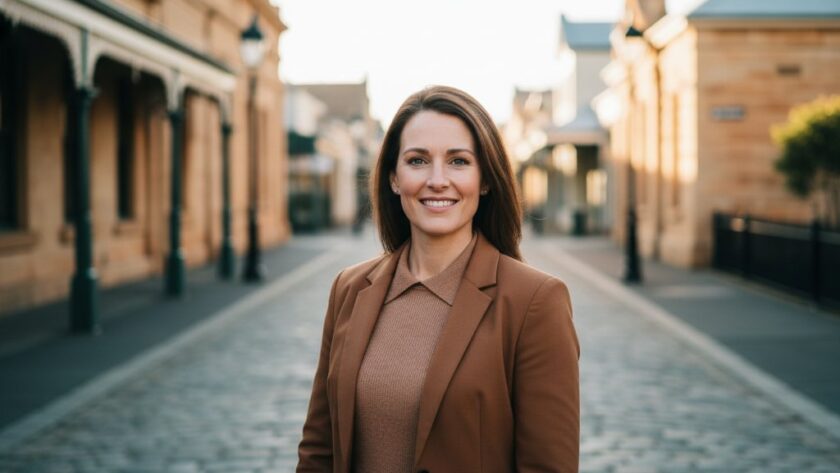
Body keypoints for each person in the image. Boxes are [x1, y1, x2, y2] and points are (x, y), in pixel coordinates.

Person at [297, 85, 580, 473]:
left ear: (485, 179)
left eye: (459, 161)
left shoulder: (535, 301)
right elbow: (318, 450)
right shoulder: (349, 289)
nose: (437, 180)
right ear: (394, 178)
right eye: (417, 161)